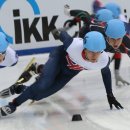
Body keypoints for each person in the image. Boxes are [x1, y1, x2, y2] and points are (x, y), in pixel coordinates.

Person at [0, 31, 123, 117]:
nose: (95, 56)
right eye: (91, 52)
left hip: (69, 73)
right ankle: (13, 105)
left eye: (98, 52)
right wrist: (57, 32)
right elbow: (63, 34)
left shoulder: (103, 59)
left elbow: (106, 73)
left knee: (38, 96)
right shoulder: (73, 45)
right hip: (58, 58)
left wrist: (110, 95)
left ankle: (20, 87)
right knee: (42, 84)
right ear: (84, 48)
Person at [63, 5, 130, 86]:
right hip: (87, 34)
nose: (116, 43)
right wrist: (69, 12)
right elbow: (84, 15)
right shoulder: (95, 27)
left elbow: (117, 52)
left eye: (118, 38)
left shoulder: (122, 37)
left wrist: (116, 73)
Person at [0, 32, 44, 98]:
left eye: (1, 54)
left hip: (10, 60)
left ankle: (34, 69)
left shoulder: (11, 58)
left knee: (12, 62)